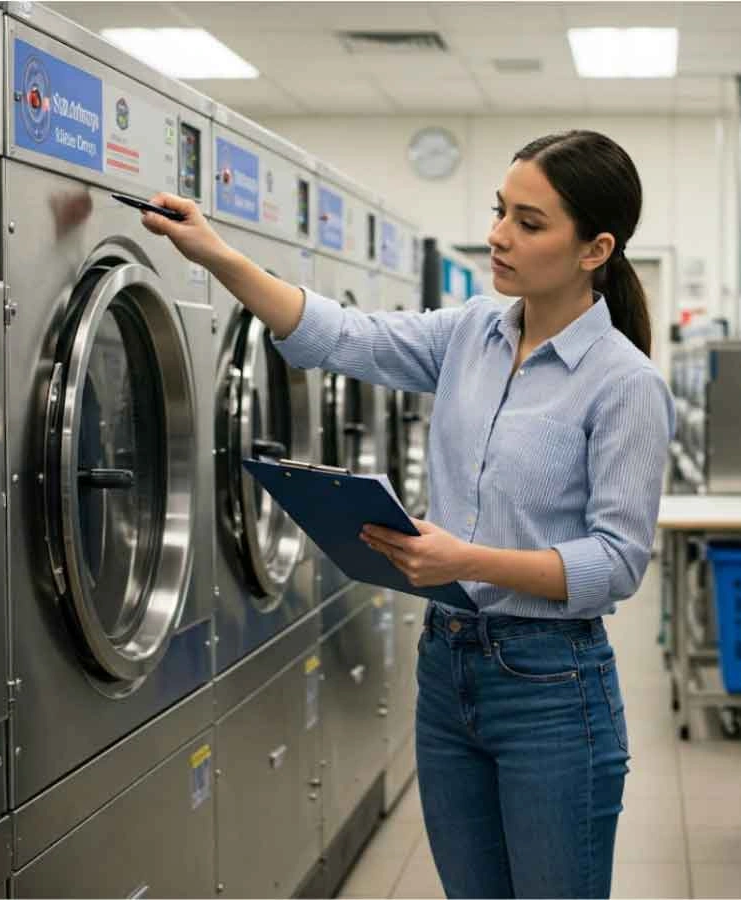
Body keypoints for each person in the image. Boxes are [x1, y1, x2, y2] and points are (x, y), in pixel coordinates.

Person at [141, 129, 674, 899]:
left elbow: (617, 563)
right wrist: (216, 254)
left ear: (595, 249)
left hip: (552, 690)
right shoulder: (471, 336)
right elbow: (337, 335)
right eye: (500, 212)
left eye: (530, 223)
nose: (498, 236)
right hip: (446, 667)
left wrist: (466, 561)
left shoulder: (624, 383)